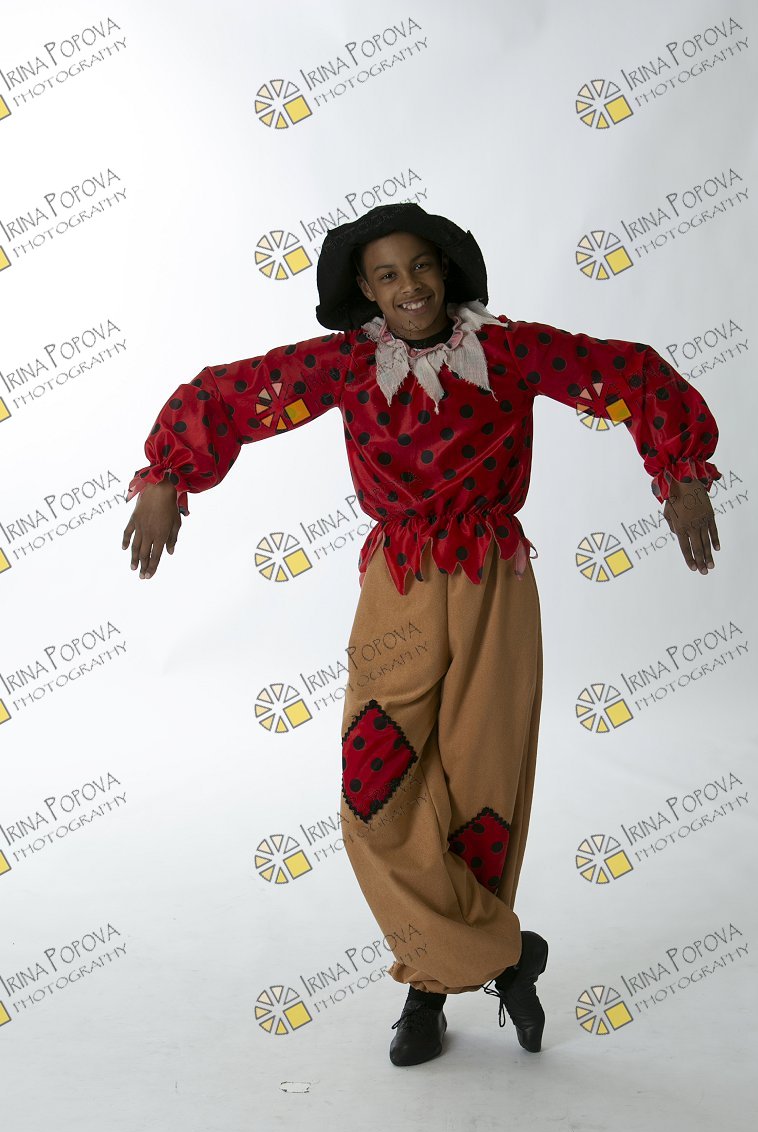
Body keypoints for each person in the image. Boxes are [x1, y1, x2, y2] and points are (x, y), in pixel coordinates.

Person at [123, 203, 722, 1067]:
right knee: (375, 793)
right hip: (398, 584)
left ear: (446, 270)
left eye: (421, 267)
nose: (409, 287)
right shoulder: (345, 364)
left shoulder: (509, 350)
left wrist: (682, 472)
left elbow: (626, 373)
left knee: (481, 787)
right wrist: (166, 477)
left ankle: (428, 988)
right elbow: (231, 394)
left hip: (493, 583)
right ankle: (506, 956)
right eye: (387, 275)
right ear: (366, 291)